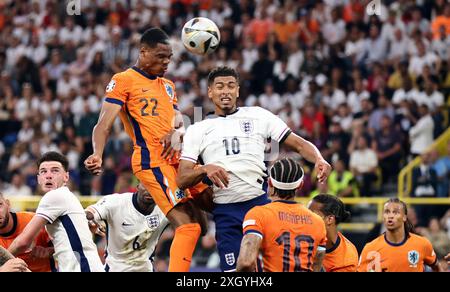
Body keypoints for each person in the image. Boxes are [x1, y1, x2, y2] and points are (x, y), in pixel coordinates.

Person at [177, 66, 331, 272]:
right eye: (220, 86)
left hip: (261, 206)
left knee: (270, 270)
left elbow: (299, 144)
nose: (226, 91)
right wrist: (205, 169)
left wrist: (319, 159)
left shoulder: (259, 115)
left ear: (238, 90)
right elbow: (182, 178)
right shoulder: (197, 130)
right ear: (210, 92)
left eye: (231, 86)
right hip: (226, 211)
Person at [84, 28, 206, 272]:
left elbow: (179, 123)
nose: (166, 62)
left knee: (208, 211)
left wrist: (178, 133)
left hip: (179, 159)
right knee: (187, 225)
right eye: (161, 56)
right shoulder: (124, 80)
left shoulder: (168, 86)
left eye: (169, 57)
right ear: (143, 52)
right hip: (152, 160)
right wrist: (97, 153)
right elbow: (103, 125)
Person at [8, 152, 104, 272]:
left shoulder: (55, 196)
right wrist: (52, 250)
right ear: (38, 178)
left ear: (66, 177)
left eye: (55, 170)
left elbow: (22, 243)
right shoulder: (66, 196)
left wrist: (4, 259)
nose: (48, 175)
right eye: (43, 171)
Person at [236, 158, 327, 272]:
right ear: (300, 185)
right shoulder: (318, 222)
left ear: (270, 182)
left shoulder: (258, 214)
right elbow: (317, 266)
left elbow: (246, 262)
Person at [85, 183, 169, 272]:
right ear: (137, 186)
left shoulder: (166, 208)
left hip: (146, 268)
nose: (149, 190)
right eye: (145, 185)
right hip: (116, 268)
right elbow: (90, 212)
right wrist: (89, 220)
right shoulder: (116, 202)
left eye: (153, 186)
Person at [358, 198, 442, 272]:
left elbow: (437, 267)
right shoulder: (370, 248)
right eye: (387, 212)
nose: (390, 216)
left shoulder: (422, 244)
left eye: (395, 212)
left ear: (404, 217)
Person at [0, 192, 54, 272]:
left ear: (8, 204)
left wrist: (49, 252)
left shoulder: (33, 220)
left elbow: (68, 248)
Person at [308, 194, 358, 272]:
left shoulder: (347, 258)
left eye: (313, 216)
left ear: (330, 219)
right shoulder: (299, 238)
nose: (306, 220)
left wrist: (317, 267)